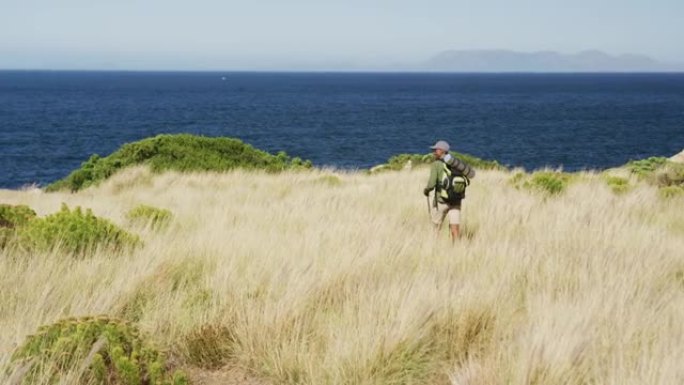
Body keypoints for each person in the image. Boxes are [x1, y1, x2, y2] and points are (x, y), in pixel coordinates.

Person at [423, 140, 475, 242]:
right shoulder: (455, 163)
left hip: (441, 200)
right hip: (456, 200)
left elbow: (432, 184)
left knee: (436, 227)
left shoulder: (436, 164)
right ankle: (456, 249)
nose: (433, 152)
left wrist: (426, 190)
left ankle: (434, 248)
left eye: (436, 150)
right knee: (455, 228)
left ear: (442, 151)